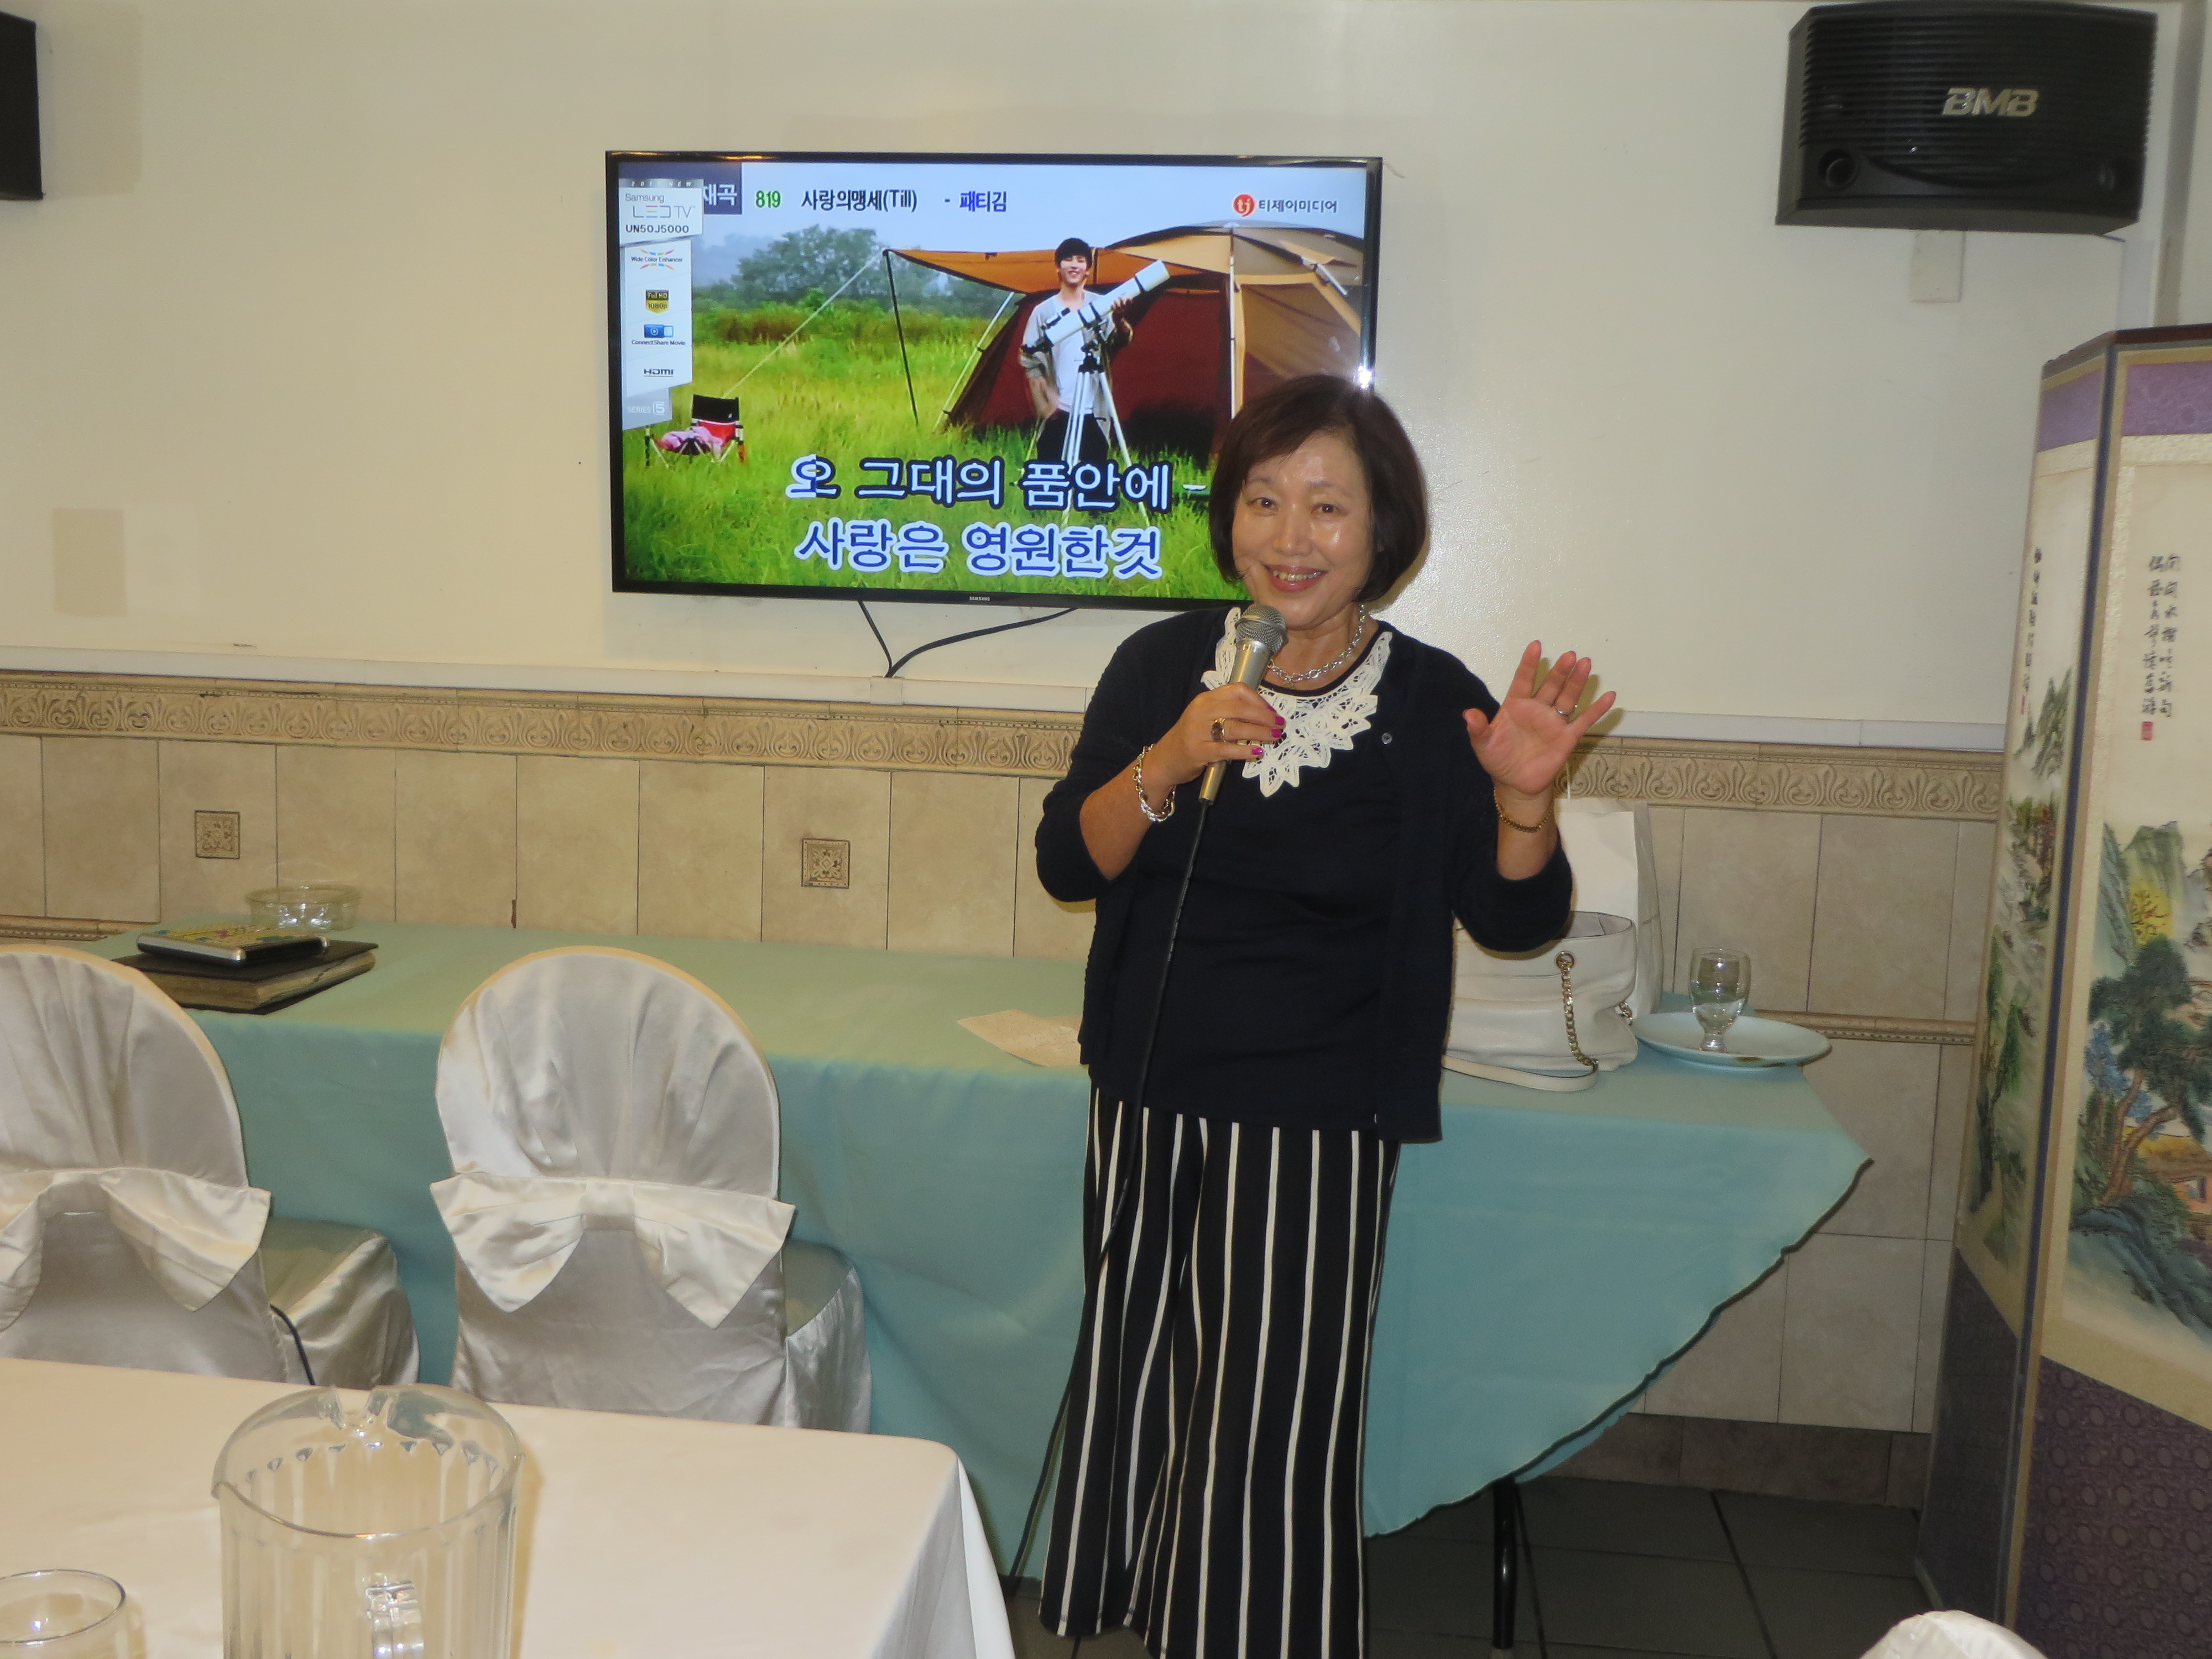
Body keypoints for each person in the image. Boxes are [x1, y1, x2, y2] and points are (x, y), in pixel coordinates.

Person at [1031, 374, 1617, 1659]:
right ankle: (1139, 1616)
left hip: (1316, 1118)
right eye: (1262, 500)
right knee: (1140, 1376)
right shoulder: (1158, 667)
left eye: (1326, 506)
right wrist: (1169, 757)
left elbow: (1512, 918)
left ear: (1381, 529)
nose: (1289, 536)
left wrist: (1524, 803)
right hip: (1145, 1092)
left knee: (1270, 1419)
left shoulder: (1428, 701)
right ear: (1228, 517)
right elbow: (1069, 861)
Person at [1022, 236, 1136, 463]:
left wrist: (1119, 319)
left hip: (1093, 413)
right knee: (1053, 477)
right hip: (1058, 413)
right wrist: (1045, 404)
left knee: (1093, 479)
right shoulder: (1043, 312)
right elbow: (1029, 359)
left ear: (1087, 270)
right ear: (1058, 267)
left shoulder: (1101, 306)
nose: (1074, 265)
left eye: (1080, 260)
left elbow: (1119, 341)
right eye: (1068, 259)